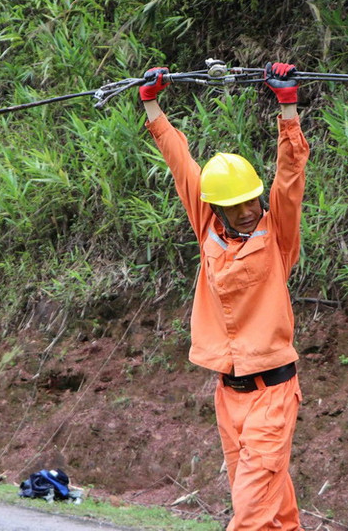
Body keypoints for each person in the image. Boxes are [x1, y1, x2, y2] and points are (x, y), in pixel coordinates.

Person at [139, 62, 309, 531]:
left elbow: (290, 177)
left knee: (250, 513)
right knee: (274, 511)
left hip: (272, 394)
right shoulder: (208, 228)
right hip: (228, 394)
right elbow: (181, 164)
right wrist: (151, 104)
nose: (248, 211)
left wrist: (287, 107)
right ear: (217, 208)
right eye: (235, 206)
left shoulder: (277, 235)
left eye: (252, 200)